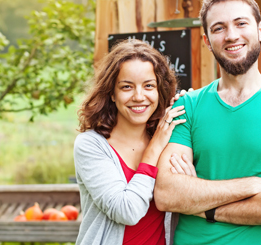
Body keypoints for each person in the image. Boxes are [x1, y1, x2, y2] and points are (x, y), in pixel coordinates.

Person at [154, 0, 261, 244]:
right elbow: (168, 195)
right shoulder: (186, 106)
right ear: (207, 41)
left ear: (260, 30)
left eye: (241, 23)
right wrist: (253, 185)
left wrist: (207, 209)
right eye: (218, 28)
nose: (231, 36)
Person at [74, 39, 186, 244]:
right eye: (127, 87)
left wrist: (190, 106)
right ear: (112, 94)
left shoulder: (168, 138)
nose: (139, 96)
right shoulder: (90, 145)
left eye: (149, 86)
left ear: (159, 91)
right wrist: (154, 149)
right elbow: (126, 211)